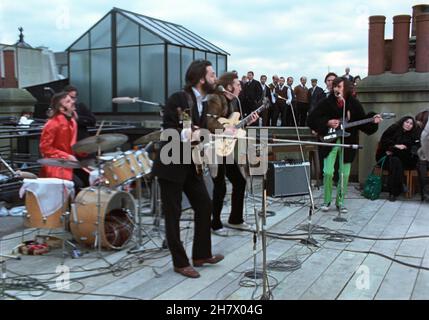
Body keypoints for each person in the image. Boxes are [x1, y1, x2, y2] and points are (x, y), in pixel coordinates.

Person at [152, 60, 224, 279]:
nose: (215, 78)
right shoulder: (179, 98)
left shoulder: (202, 102)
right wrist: (188, 133)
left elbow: (201, 131)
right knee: (172, 215)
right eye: (212, 74)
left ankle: (201, 255)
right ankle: (180, 262)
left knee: (204, 204)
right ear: (201, 78)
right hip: (171, 164)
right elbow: (169, 129)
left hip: (190, 164)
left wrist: (220, 131)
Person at [308, 77, 382, 213]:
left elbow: (363, 122)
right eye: (335, 86)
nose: (336, 89)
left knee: (344, 174)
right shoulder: (326, 102)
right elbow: (311, 119)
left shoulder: (353, 103)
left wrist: (373, 120)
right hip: (329, 141)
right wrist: (327, 122)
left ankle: (340, 202)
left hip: (348, 142)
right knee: (328, 172)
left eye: (339, 86)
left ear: (346, 88)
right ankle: (327, 201)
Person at [206, 72, 259, 236]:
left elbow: (233, 125)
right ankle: (214, 223)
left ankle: (235, 219)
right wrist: (225, 130)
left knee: (239, 181)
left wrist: (246, 122)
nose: (240, 87)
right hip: (213, 146)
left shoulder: (233, 103)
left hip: (224, 148)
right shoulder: (216, 98)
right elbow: (210, 122)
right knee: (220, 186)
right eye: (237, 84)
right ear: (229, 87)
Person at [39, 92, 83, 189]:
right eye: (68, 101)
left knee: (92, 179)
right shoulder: (52, 124)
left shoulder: (72, 122)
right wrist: (67, 156)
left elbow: (71, 145)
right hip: (56, 167)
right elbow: (45, 148)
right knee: (78, 185)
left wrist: (85, 149)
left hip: (69, 164)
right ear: (61, 108)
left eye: (71, 99)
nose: (72, 102)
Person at [376, 116, 420, 201]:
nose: (408, 125)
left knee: (396, 161)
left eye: (411, 124)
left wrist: (403, 148)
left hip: (404, 160)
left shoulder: (413, 134)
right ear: (402, 122)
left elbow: (415, 148)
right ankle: (399, 186)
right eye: (407, 122)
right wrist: (395, 146)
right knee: (395, 161)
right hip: (386, 158)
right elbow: (384, 142)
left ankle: (393, 192)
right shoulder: (393, 129)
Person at [63, 85, 96, 188]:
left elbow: (92, 121)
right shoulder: (60, 111)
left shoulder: (80, 107)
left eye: (74, 98)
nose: (72, 101)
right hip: (68, 148)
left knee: (87, 172)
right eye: (69, 98)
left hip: (82, 145)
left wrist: (78, 119)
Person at [417, 110, 429, 201]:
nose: (418, 124)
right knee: (422, 165)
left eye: (419, 122)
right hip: (422, 159)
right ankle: (424, 193)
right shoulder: (419, 131)